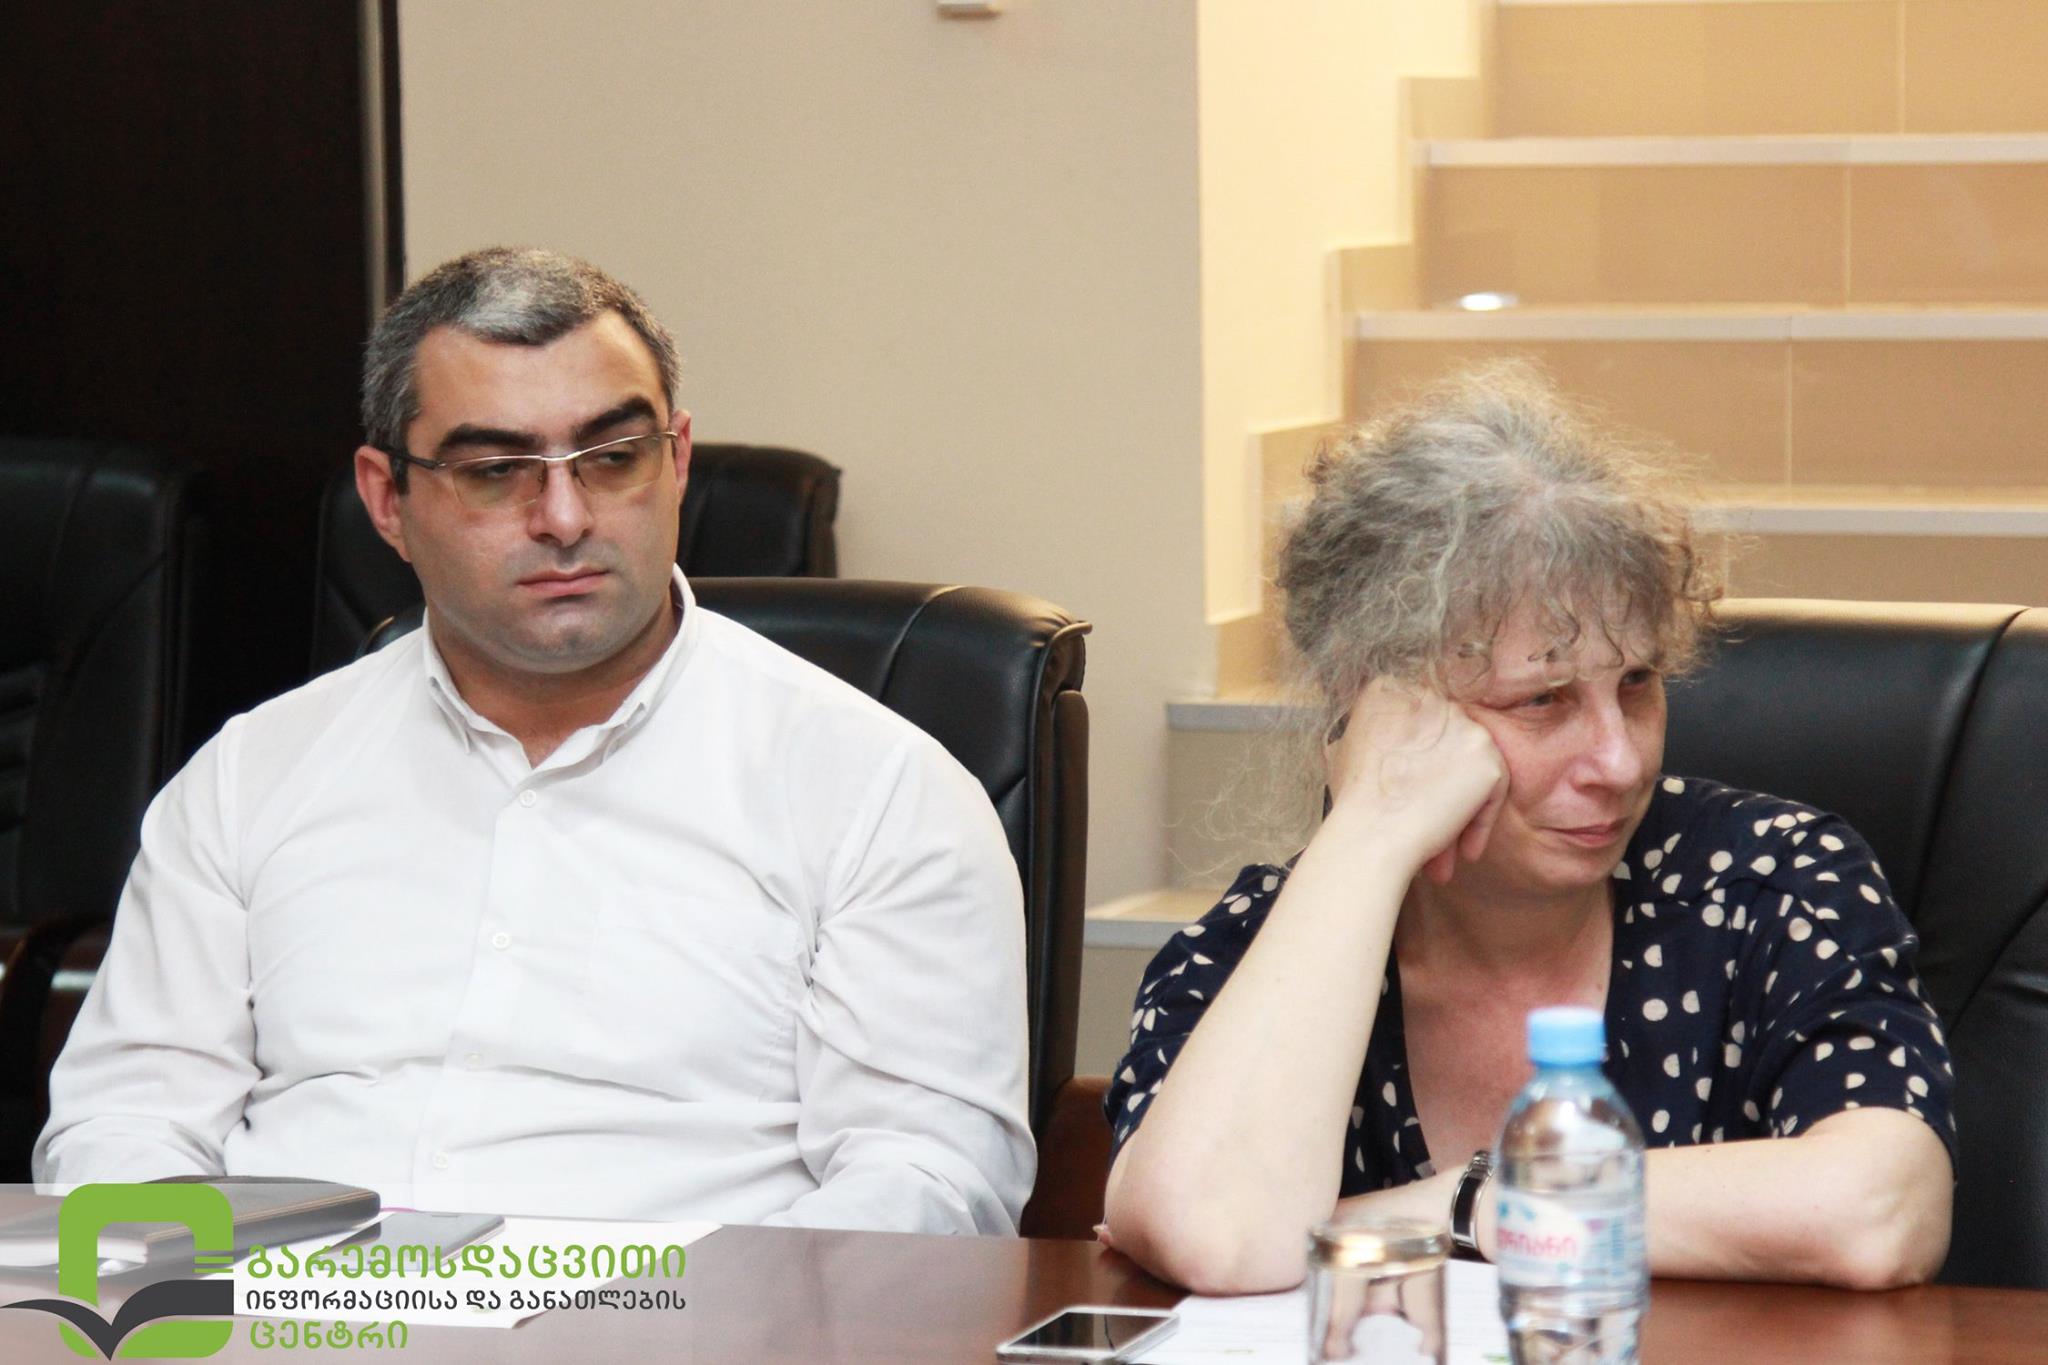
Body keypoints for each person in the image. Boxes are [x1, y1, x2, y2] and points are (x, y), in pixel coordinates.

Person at [36, 247, 1034, 1235]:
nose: (564, 517)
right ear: (388, 501)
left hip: (686, 1315)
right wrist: (202, 1299)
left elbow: (929, 1179)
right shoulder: (252, 774)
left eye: (613, 458)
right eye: (495, 471)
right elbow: (126, 1120)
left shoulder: (876, 790)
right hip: (288, 1306)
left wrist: (697, 1314)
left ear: (678, 461)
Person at [1101, 366, 1955, 1293]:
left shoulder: (1769, 880)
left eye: (1638, 682)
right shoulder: (1256, 943)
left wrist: (1466, 1204)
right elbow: (1214, 1232)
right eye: (1543, 699)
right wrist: (1371, 826)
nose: (1619, 760)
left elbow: (1878, 1210)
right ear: (1388, 706)